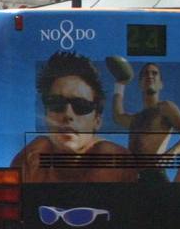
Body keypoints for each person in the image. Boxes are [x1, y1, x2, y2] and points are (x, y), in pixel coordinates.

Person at [11, 51, 135, 182]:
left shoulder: (114, 158)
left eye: (81, 105)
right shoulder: (32, 157)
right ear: (46, 115)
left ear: (97, 121)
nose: (68, 114)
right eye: (56, 104)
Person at [110, 61, 180, 166]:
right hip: (133, 176)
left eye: (154, 73)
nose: (149, 76)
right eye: (145, 73)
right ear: (140, 84)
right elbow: (118, 116)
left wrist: (173, 152)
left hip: (154, 173)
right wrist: (120, 84)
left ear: (161, 84)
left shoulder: (165, 107)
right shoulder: (136, 119)